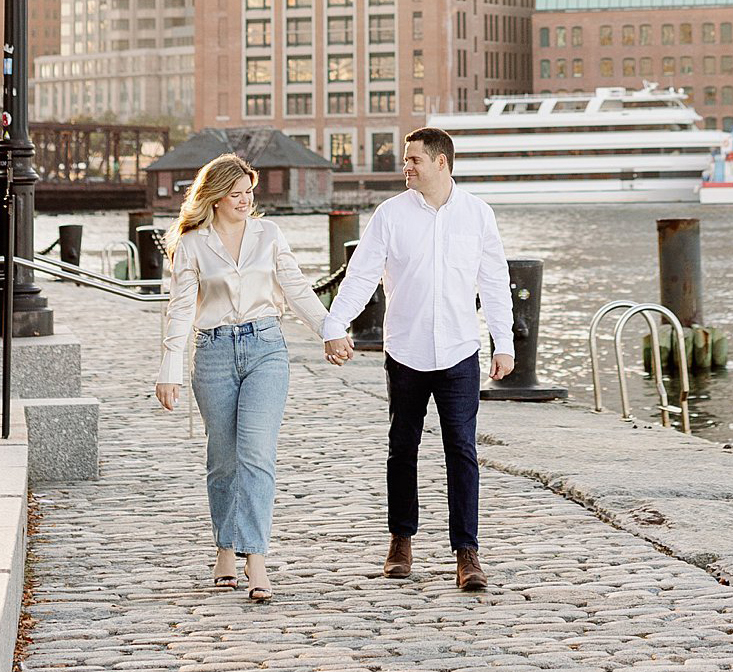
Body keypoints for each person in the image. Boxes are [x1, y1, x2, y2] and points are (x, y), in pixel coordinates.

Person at [322, 127, 514, 592]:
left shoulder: (477, 214)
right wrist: (334, 325)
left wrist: (502, 341)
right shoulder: (390, 215)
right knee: (401, 448)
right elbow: (361, 275)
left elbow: (493, 281)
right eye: (406, 160)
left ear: (441, 162)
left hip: (459, 351)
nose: (405, 166)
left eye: (414, 160)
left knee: (462, 453)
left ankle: (467, 554)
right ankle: (400, 542)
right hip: (406, 351)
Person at [156, 153, 338, 602]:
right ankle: (224, 546)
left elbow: (295, 289)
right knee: (223, 459)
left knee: (256, 454)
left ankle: (255, 559)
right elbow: (180, 309)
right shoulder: (193, 244)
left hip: (266, 348)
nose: (244, 200)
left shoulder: (269, 235)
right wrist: (170, 368)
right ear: (214, 197)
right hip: (214, 352)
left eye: (248, 193)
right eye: (235, 194)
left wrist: (330, 330)